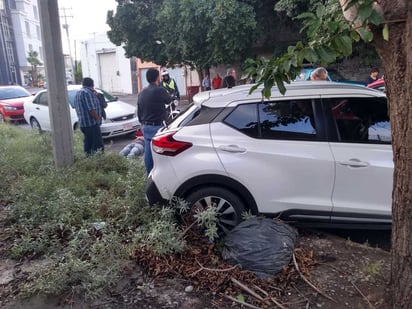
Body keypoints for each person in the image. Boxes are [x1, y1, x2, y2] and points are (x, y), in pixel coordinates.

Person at [137, 68, 171, 174]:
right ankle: (162, 174)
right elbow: (168, 100)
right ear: (157, 77)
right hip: (157, 127)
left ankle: (149, 173)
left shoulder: (142, 92)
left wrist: (142, 123)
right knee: (162, 151)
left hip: (145, 126)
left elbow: (139, 110)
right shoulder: (160, 90)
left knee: (148, 151)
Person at [74, 77, 105, 155]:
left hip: (83, 124)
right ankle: (98, 163)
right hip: (91, 124)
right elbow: (91, 109)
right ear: (92, 84)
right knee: (98, 146)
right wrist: (97, 120)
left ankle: (88, 161)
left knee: (88, 145)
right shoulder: (87, 93)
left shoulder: (78, 93)